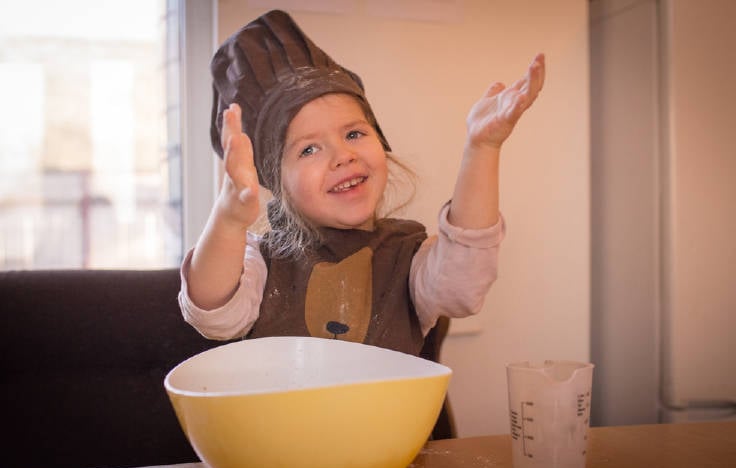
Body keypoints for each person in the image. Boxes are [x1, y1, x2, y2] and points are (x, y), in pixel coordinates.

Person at [178, 10, 545, 355]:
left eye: (353, 134)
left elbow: (462, 289)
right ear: (277, 181)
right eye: (308, 150)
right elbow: (212, 313)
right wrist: (229, 219)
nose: (343, 155)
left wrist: (482, 148)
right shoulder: (260, 262)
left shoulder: (410, 258)